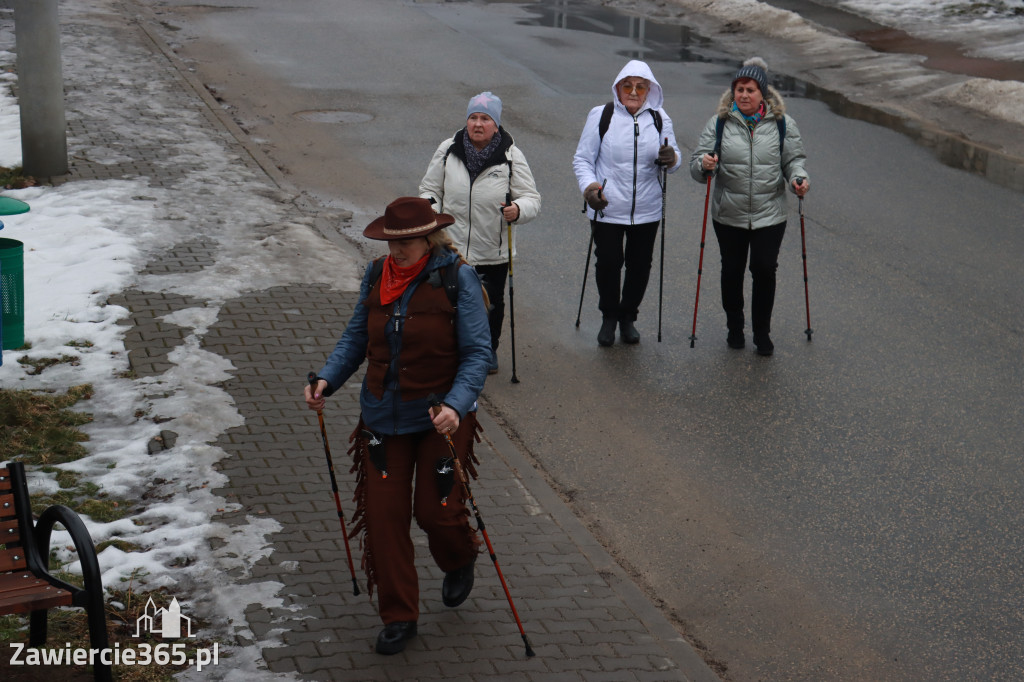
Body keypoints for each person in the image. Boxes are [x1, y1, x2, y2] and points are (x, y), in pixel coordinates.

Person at [303, 196, 492, 655]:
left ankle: (459, 557)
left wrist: (456, 403)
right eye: (392, 242)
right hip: (382, 418)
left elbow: (478, 354)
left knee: (436, 512)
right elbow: (356, 336)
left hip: (440, 418)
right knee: (384, 520)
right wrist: (328, 379)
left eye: (406, 241)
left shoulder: (457, 278)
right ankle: (400, 615)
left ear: (428, 237)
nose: (398, 250)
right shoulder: (376, 276)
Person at [690, 57, 810, 356]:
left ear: (763, 94)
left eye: (750, 90)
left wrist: (798, 178)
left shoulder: (782, 123)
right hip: (728, 212)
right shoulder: (719, 123)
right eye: (739, 89)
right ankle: (734, 327)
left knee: (764, 268)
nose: (743, 95)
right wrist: (705, 164)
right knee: (732, 271)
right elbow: (698, 165)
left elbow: (793, 160)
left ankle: (761, 333)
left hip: (770, 213)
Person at [419, 91, 541, 374]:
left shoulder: (511, 155)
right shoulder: (448, 149)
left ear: (495, 125)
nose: (478, 124)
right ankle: (448, 349)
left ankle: (487, 352)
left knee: (491, 305)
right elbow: (429, 189)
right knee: (447, 300)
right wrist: (433, 210)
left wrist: (518, 209)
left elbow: (532, 198)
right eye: (473, 117)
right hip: (451, 246)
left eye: (485, 118)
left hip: (493, 250)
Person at [573, 60, 682, 347]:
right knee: (609, 262)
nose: (633, 92)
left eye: (640, 87)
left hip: (647, 208)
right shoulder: (602, 115)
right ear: (618, 87)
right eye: (628, 86)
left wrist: (672, 158)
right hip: (607, 205)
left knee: (640, 265)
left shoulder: (659, 118)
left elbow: (673, 159)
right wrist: (590, 189)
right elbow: (583, 159)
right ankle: (609, 317)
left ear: (649, 90)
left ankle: (628, 317)